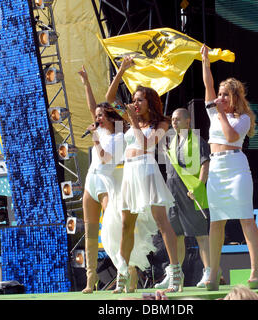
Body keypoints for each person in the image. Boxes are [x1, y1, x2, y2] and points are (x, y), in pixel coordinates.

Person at [105, 56, 182, 293]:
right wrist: (120, 71)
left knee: (162, 221)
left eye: (140, 100)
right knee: (127, 225)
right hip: (129, 174)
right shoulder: (131, 120)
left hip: (147, 171)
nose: (135, 104)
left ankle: (176, 272)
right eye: (134, 100)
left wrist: (134, 120)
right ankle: (122, 275)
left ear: (150, 103)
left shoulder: (162, 123)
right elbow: (108, 100)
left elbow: (148, 145)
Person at [200, 44, 258, 290]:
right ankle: (214, 273)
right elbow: (208, 85)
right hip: (216, 170)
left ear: (235, 97)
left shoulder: (243, 118)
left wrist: (221, 113)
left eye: (226, 95)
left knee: (246, 219)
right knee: (216, 223)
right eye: (221, 94)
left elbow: (232, 136)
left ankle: (255, 268)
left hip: (236, 169)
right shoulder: (214, 112)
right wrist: (205, 61)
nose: (221, 98)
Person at [78, 66, 126, 293]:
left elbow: (106, 159)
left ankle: (123, 271)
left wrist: (96, 140)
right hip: (91, 182)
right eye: (96, 116)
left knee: (111, 228)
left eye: (100, 115)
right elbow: (91, 105)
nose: (96, 118)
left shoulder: (118, 136)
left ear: (109, 116)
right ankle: (90, 279)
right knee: (90, 232)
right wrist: (86, 82)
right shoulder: (102, 131)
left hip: (107, 184)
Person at [154, 108, 211, 289]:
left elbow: (205, 165)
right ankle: (175, 273)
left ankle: (209, 271)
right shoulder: (170, 143)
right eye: (173, 119)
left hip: (191, 194)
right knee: (175, 235)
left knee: (201, 235)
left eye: (178, 119)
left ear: (188, 121)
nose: (174, 122)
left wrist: (198, 187)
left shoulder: (197, 141)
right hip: (172, 195)